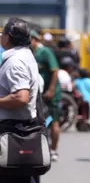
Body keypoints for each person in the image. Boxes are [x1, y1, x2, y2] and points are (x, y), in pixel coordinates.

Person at [0, 18, 40, 183]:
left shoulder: (16, 62)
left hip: (12, 130)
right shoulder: (25, 55)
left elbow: (21, 97)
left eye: (2, 33)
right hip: (21, 128)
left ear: (7, 37)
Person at [30, 32, 61, 162]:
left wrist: (51, 89)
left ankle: (53, 150)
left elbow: (54, 71)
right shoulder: (30, 53)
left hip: (51, 93)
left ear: (35, 40)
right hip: (39, 93)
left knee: (54, 122)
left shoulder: (45, 52)